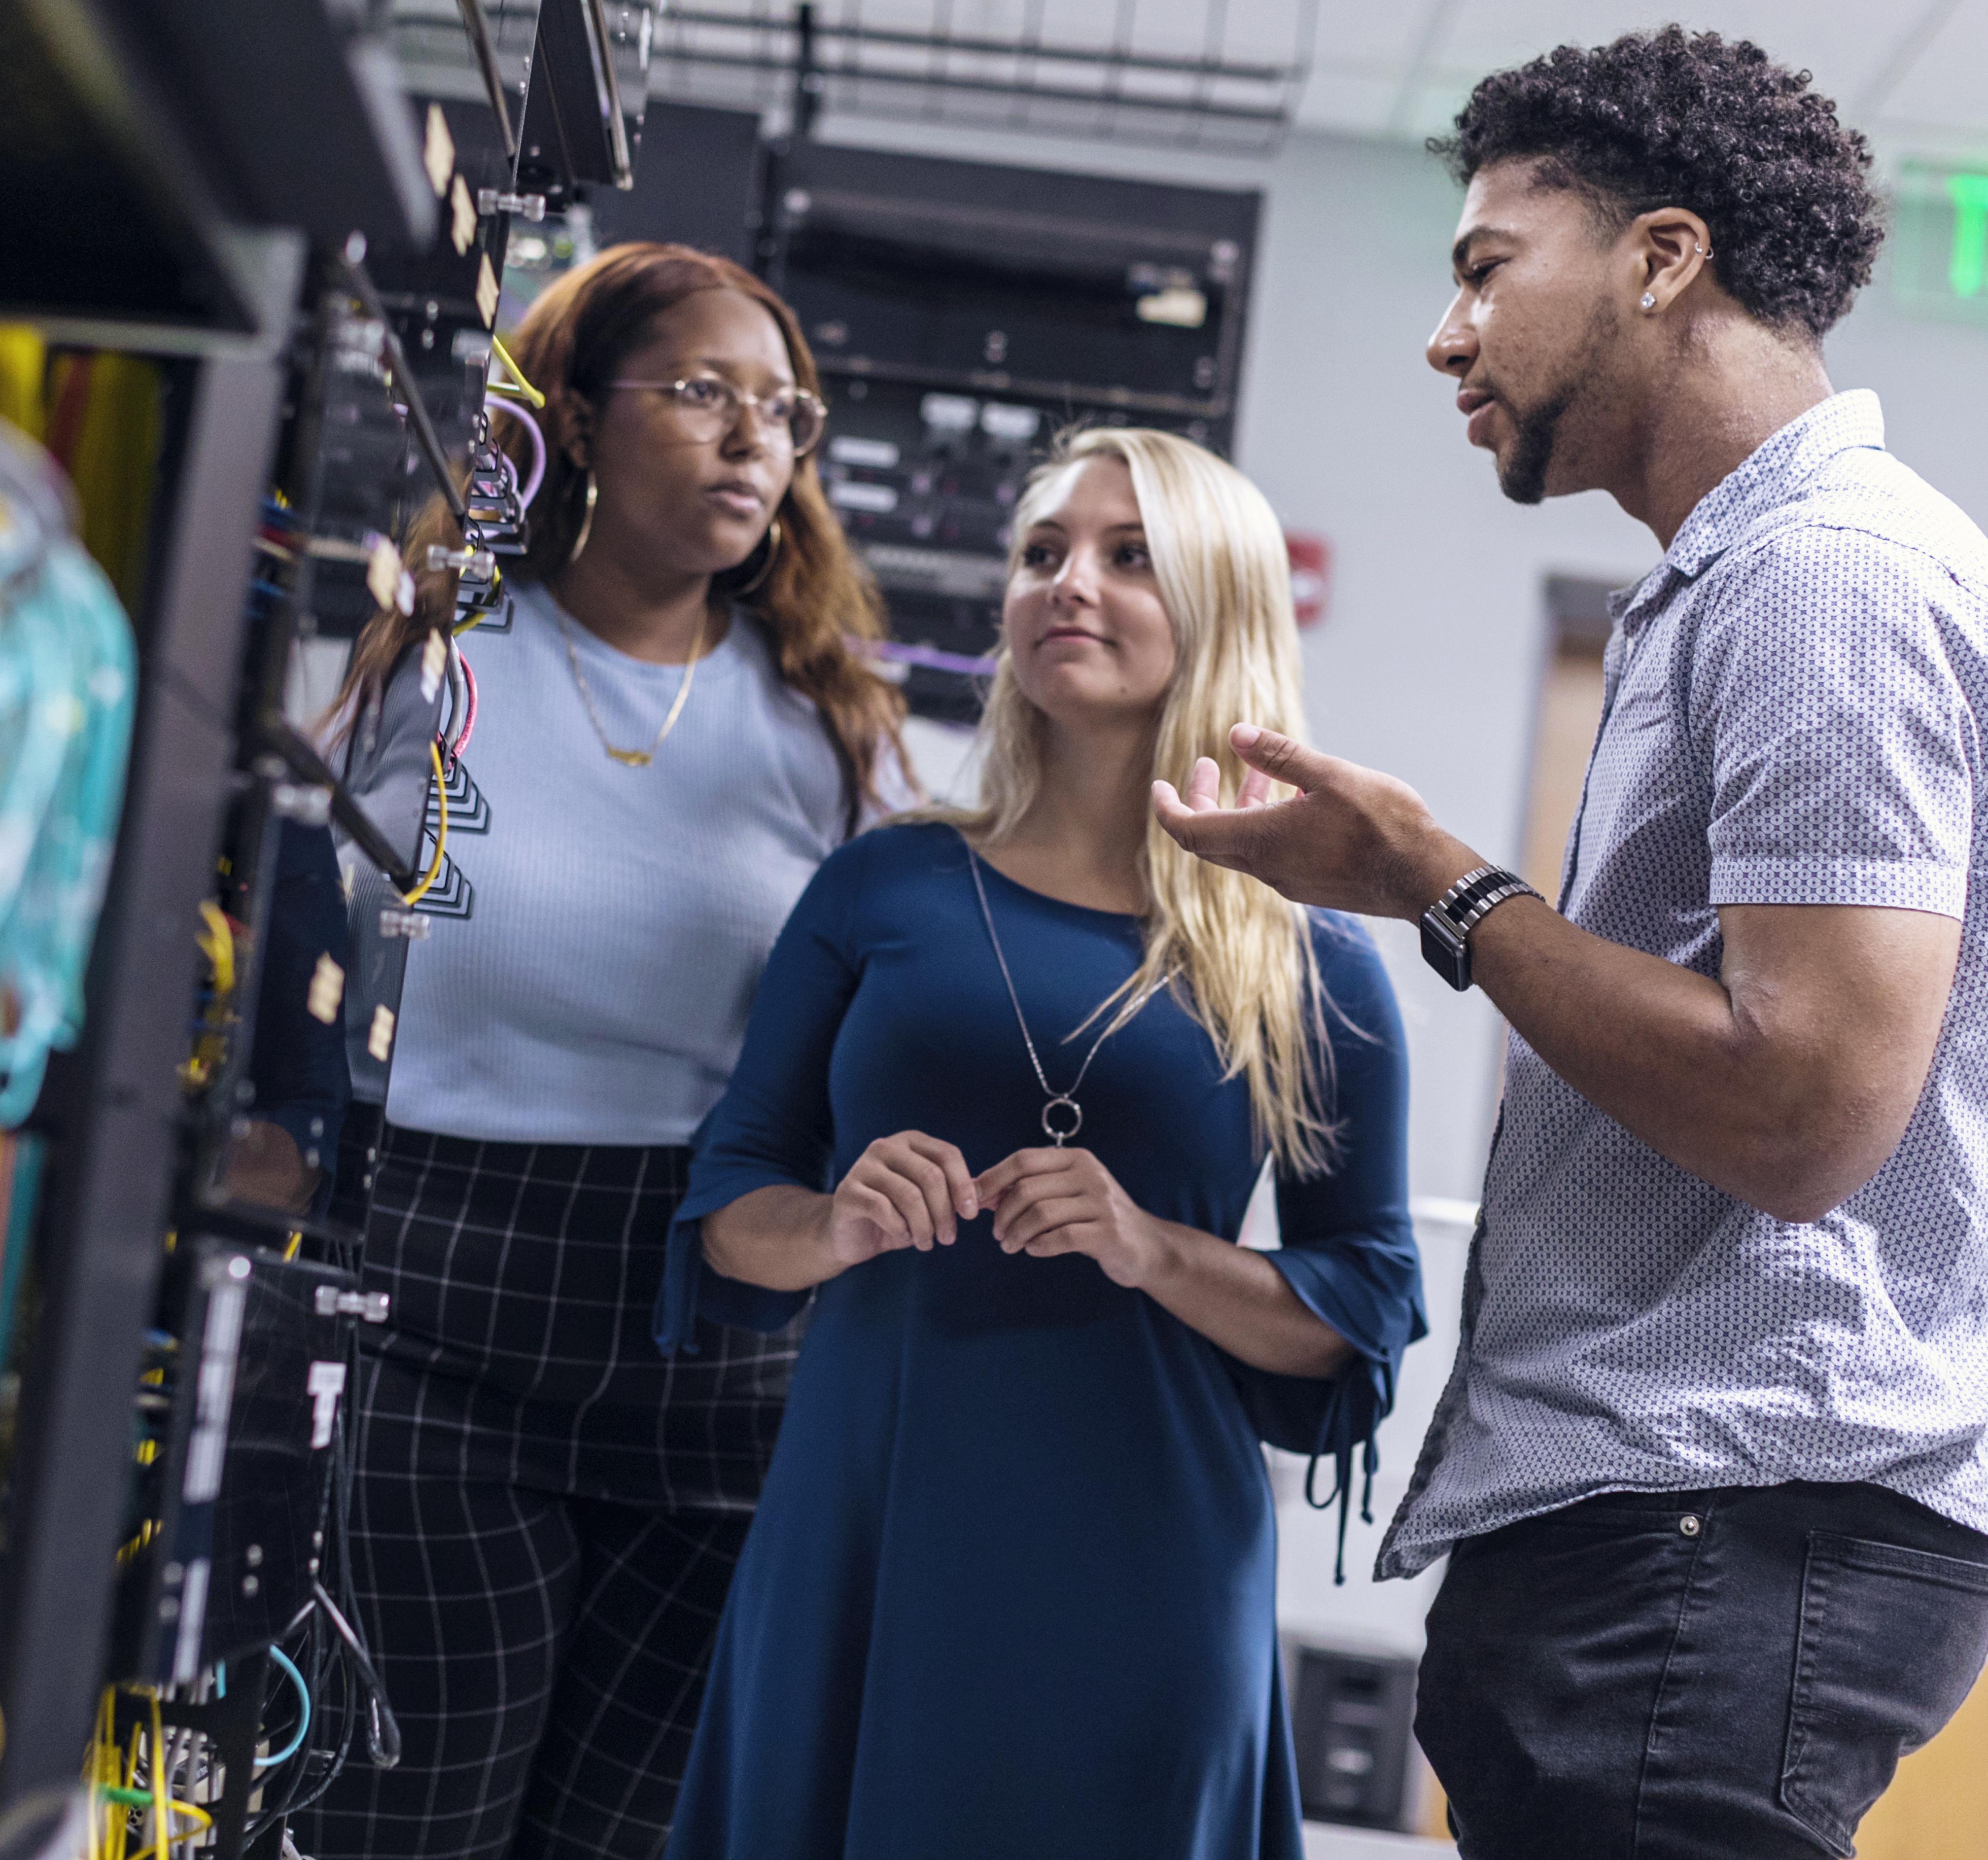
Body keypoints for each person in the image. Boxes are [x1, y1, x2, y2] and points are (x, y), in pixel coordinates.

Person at [1151, 30, 1988, 1860]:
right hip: (1679, 1525)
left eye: (1480, 270)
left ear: (1659, 257)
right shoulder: (1729, 580)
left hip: (1723, 1520)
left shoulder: (1824, 578)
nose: (1447, 336)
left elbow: (1804, 1113)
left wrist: (1437, 885)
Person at [660, 425, 1428, 1859]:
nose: (1070, 583)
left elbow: (1359, 1313)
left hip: (1140, 1561)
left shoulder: (1314, 961)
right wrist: (829, 1223)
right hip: (866, 1531)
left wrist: (1151, 1249)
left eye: (1129, 556)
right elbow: (727, 1202)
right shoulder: (883, 883)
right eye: (1042, 553)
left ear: (1221, 608)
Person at [298, 243, 911, 1860]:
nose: (749, 440)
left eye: (781, 411)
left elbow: (882, 1028)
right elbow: (288, 950)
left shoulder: (827, 724)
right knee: (402, 1821)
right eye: (700, 391)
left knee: (625, 1841)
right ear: (571, 416)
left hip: (719, 1335)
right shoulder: (435, 666)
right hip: (439, 1308)